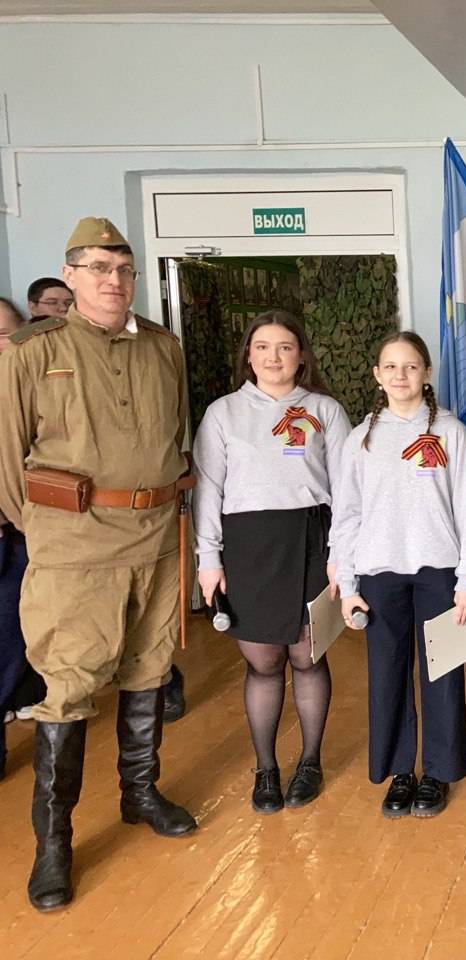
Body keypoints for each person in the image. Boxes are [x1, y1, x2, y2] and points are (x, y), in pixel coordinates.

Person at [0, 217, 197, 912]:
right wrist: (51, 531)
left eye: (123, 269)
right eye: (98, 268)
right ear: (71, 275)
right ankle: (54, 843)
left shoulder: (164, 347)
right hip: (74, 550)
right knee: (68, 687)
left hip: (155, 539)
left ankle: (140, 794)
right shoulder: (33, 351)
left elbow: (175, 433)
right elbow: (7, 464)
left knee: (149, 669)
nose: (114, 281)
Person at [193, 310, 350, 814]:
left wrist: (342, 555)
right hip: (248, 546)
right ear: (248, 354)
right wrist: (208, 558)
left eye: (285, 347)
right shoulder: (223, 413)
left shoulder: (325, 410)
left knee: (307, 657)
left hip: (312, 541)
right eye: (262, 347)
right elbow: (208, 489)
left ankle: (310, 762)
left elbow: (348, 488)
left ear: (301, 355)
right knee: (262, 663)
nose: (273, 357)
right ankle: (265, 769)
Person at [334, 331, 466, 819]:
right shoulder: (361, 439)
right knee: (387, 674)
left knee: (442, 670)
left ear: (426, 373)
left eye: (411, 366)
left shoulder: (451, 433)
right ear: (377, 376)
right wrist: (348, 586)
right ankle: (400, 771)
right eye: (391, 367)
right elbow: (347, 515)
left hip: (439, 571)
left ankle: (438, 772)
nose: (401, 375)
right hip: (380, 575)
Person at [1, 297, 47, 773]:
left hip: (26, 533)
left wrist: (23, 522)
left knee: (18, 630)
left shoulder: (38, 384)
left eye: (6, 334)